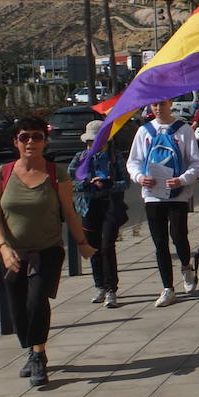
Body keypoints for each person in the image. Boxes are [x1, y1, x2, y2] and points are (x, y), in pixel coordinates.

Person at [0, 116, 95, 387]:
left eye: (36, 137)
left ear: (44, 141)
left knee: (37, 302)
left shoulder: (55, 173)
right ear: (15, 142)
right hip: (12, 255)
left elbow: (69, 213)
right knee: (18, 311)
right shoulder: (2, 174)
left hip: (47, 251)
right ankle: (33, 348)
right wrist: (3, 249)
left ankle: (38, 355)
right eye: (24, 137)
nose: (31, 142)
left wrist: (82, 244)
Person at [127, 98, 199, 307]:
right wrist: (139, 178)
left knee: (179, 235)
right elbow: (133, 162)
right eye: (154, 105)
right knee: (159, 242)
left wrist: (182, 180)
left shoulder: (183, 129)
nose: (158, 108)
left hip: (177, 194)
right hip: (152, 194)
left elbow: (196, 163)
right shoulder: (144, 132)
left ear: (170, 103)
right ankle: (168, 288)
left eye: (162, 104)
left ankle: (186, 267)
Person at [68, 119, 129, 308]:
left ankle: (112, 289)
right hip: (88, 205)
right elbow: (71, 181)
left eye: (98, 141)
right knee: (93, 247)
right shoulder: (80, 158)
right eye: (90, 142)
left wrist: (110, 183)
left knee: (107, 245)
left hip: (110, 204)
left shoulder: (113, 156)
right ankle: (100, 286)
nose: (94, 145)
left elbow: (126, 182)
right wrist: (88, 183)